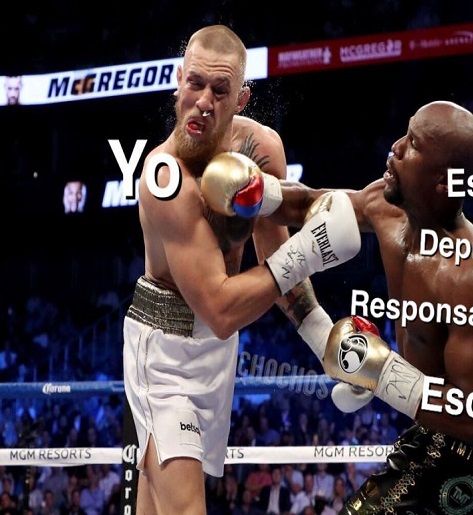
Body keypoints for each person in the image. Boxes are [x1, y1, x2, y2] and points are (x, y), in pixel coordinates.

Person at [122, 24, 360, 515]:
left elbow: (277, 263)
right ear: (178, 81)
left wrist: (325, 342)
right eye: (195, 84)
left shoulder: (261, 150)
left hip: (217, 355)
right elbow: (221, 309)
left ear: (241, 99)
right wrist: (313, 247)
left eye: (220, 90)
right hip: (163, 351)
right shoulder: (163, 177)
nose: (203, 102)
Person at [264, 101, 473, 513]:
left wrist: (377, 371)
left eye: (414, 145)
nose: (396, 147)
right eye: (405, 133)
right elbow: (307, 205)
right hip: (433, 427)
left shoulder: (471, 274)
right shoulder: (383, 205)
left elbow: (471, 417)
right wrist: (252, 192)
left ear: (442, 181)